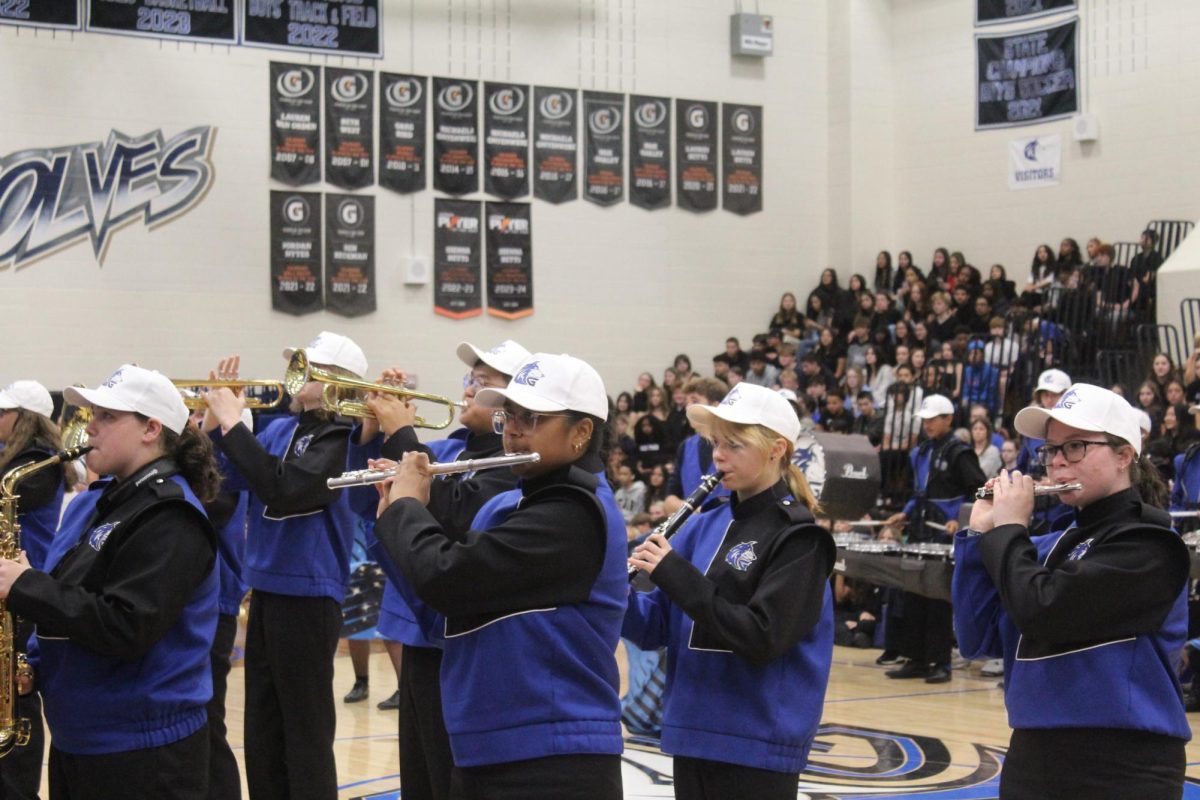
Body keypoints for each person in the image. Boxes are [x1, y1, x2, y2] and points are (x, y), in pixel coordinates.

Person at [373, 352, 627, 799]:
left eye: (532, 418)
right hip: (485, 745)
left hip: (552, 757)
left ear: (582, 432)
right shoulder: (506, 506)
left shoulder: (575, 514)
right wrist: (392, 519)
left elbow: (447, 579)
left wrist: (409, 510)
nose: (513, 429)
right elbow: (444, 614)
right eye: (510, 415)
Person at [953, 382, 1190, 797]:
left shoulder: (1150, 546)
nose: (1057, 462)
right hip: (1034, 753)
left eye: (1075, 447)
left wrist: (1010, 530)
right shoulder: (1044, 546)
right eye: (1051, 450)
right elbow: (977, 638)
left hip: (1122, 764)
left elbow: (1045, 612)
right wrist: (978, 535)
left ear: (1124, 455)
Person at [0, 365, 219, 799]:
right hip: (84, 738)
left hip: (142, 752)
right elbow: (76, 597)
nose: (89, 427)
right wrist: (32, 670)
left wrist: (24, 585)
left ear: (151, 429)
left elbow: (125, 626)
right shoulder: (106, 501)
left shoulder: (170, 516)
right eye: (91, 415)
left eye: (106, 417)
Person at [623, 382, 835, 800]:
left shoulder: (800, 539)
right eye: (716, 443)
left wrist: (675, 574)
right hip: (690, 731)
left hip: (756, 741)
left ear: (776, 450)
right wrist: (612, 591)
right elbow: (655, 628)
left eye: (734, 445)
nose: (718, 455)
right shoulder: (702, 524)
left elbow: (762, 636)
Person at [349, 337, 530, 800]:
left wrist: (403, 436)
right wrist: (374, 428)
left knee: (446, 775)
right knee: (420, 775)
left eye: (483, 383)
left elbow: (457, 511)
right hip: (421, 631)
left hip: (458, 636)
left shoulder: (510, 464)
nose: (468, 390)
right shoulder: (454, 449)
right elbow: (357, 502)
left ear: (508, 404)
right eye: (470, 380)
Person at [202, 331, 367, 800]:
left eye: (308, 369)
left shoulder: (341, 437)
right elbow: (223, 481)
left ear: (337, 382)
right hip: (268, 590)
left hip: (309, 594)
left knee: (305, 734)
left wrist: (235, 424)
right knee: (263, 731)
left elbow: (289, 488)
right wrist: (212, 425)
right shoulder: (281, 428)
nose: (294, 376)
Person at [883, 395, 986, 683]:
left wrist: (961, 520)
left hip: (944, 534)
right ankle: (915, 658)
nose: (927, 424)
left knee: (937, 598)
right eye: (925, 419)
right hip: (919, 530)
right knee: (912, 593)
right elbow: (919, 493)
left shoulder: (959, 453)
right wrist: (903, 514)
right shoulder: (920, 452)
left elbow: (979, 490)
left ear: (948, 419)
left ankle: (940, 662)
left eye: (933, 419)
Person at [0, 380, 70, 798]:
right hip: (12, 593)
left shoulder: (39, 464)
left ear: (25, 420)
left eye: (4, 412)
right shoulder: (13, 460)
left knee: (17, 702)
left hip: (24, 596)